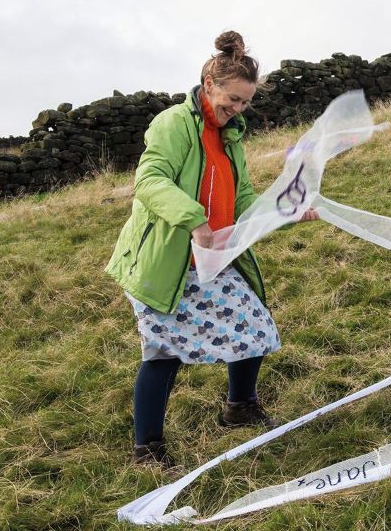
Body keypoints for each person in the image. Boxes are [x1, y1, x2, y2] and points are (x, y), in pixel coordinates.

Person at [105, 31, 316, 468]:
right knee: (164, 354)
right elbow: (149, 182)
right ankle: (147, 448)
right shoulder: (173, 124)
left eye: (244, 103)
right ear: (208, 84)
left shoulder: (231, 136)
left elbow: (242, 201)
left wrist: (286, 211)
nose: (237, 109)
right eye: (232, 99)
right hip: (164, 259)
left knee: (255, 325)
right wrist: (194, 220)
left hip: (214, 256)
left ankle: (240, 406)